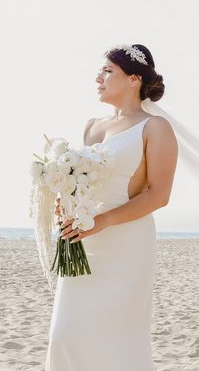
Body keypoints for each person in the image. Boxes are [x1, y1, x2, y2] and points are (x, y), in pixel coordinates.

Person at [44, 44, 178, 371]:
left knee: (118, 339)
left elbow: (158, 194)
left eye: (107, 71)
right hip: (83, 238)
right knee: (66, 334)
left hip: (126, 242)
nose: (98, 78)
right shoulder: (92, 128)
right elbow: (86, 182)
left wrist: (102, 221)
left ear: (133, 79)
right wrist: (66, 200)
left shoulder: (155, 128)